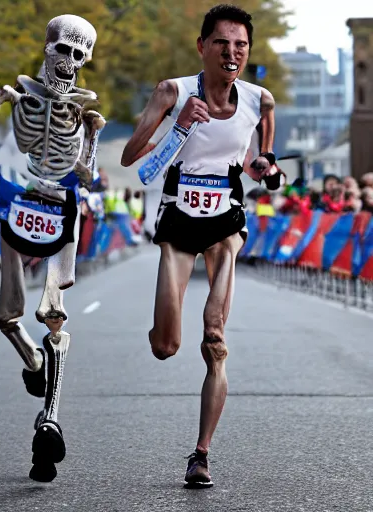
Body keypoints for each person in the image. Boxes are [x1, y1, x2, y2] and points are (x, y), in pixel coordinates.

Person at [121, 4, 283, 488]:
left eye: (241, 46)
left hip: (226, 221)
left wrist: (264, 168)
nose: (232, 54)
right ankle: (167, 339)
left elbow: (261, 162)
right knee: (165, 346)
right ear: (202, 47)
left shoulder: (261, 101)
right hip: (178, 218)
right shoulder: (174, 92)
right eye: (222, 44)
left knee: (215, 338)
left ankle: (201, 454)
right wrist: (178, 126)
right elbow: (131, 155)